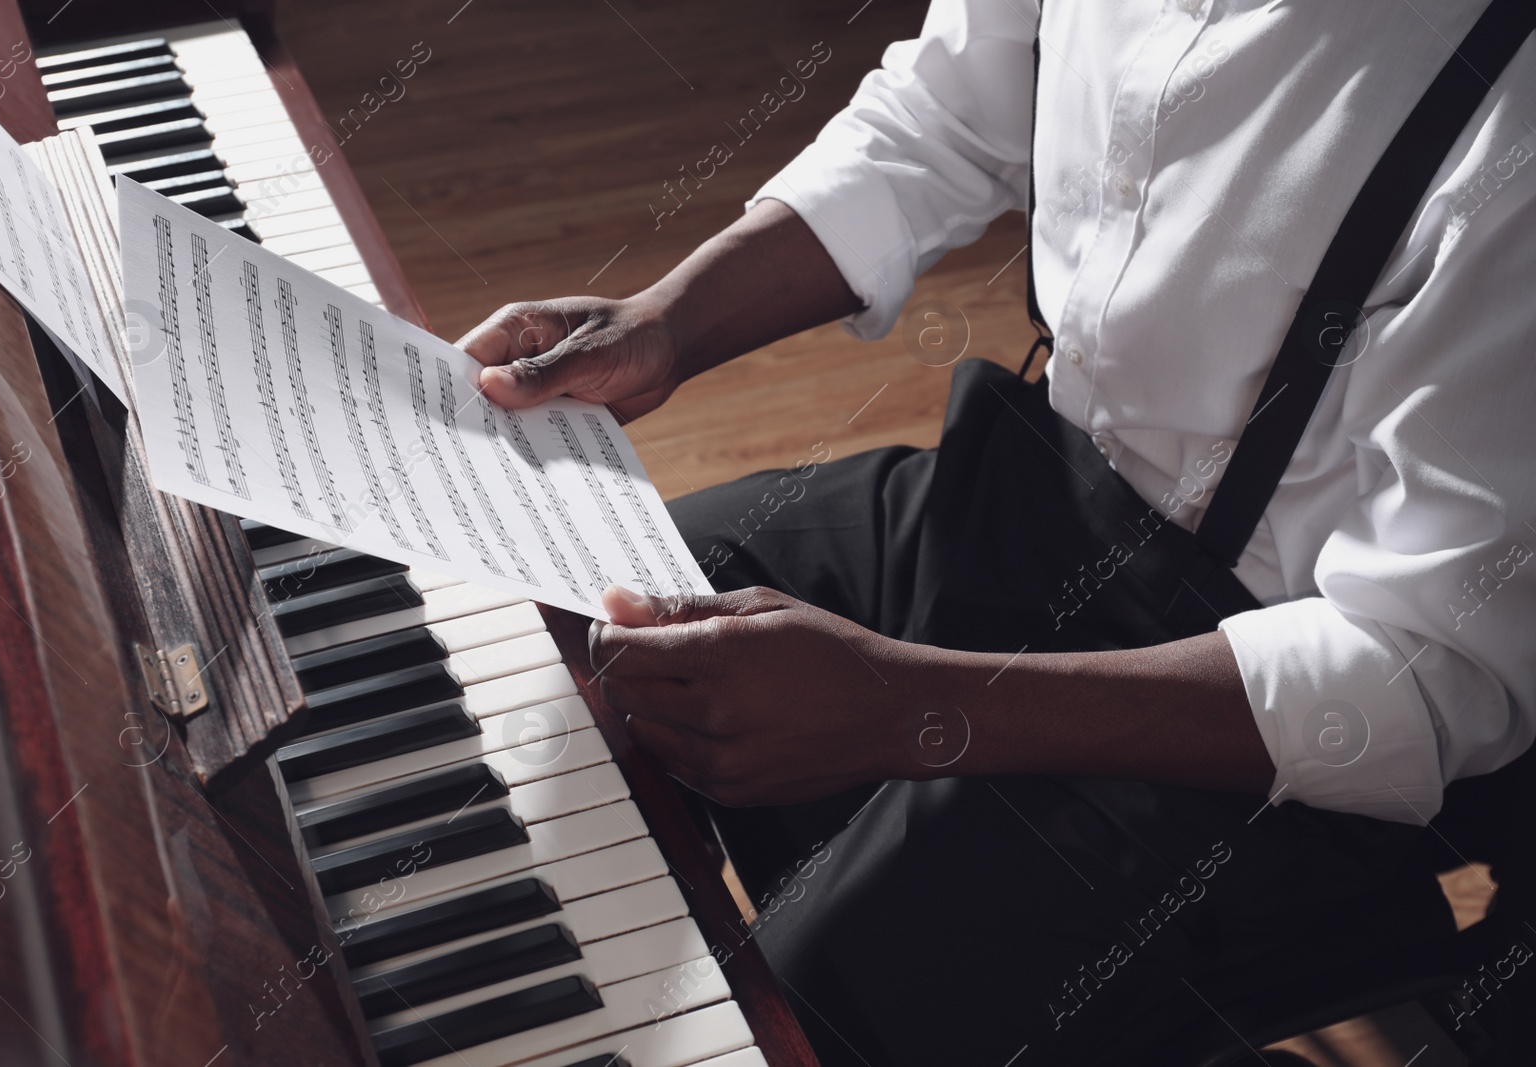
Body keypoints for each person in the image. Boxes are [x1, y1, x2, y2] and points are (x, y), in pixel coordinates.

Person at [457, 1, 1536, 1062]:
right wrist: (667, 320)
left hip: (1260, 703)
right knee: (578, 612)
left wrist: (914, 703)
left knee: (815, 995)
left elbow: (1439, 675)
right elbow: (944, 116)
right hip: (1037, 491)